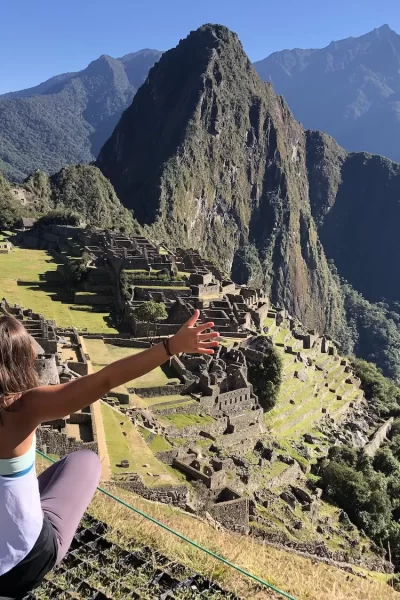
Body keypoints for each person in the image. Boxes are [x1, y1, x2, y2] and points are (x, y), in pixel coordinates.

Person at [0, 310, 219, 597]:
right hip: (23, 564)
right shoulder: (20, 408)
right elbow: (105, 380)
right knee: (84, 461)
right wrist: (171, 347)